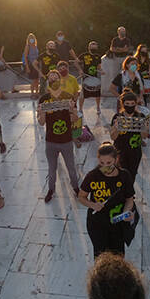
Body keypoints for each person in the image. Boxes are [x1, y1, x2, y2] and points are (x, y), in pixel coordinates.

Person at [78, 143, 136, 257]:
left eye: (109, 163)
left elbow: (129, 199)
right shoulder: (92, 176)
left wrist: (126, 212)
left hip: (117, 223)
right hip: (97, 223)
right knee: (100, 256)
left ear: (116, 159)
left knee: (118, 256)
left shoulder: (124, 176)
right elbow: (81, 197)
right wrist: (92, 205)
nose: (105, 167)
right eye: (101, 163)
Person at [37, 69, 80, 203]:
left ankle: (76, 188)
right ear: (48, 81)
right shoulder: (44, 99)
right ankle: (51, 189)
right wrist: (42, 113)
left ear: (60, 80)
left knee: (71, 167)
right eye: (51, 77)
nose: (53, 79)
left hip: (66, 140)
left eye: (56, 77)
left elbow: (75, 119)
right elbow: (41, 122)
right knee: (52, 169)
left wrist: (72, 110)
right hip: (51, 141)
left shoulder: (68, 96)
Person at [110, 91, 149, 178]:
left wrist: (144, 128)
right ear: (123, 104)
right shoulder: (117, 117)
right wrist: (116, 127)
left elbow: (144, 136)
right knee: (119, 176)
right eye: (127, 103)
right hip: (120, 151)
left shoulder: (141, 117)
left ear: (135, 104)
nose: (130, 106)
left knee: (132, 175)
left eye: (132, 103)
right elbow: (113, 137)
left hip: (135, 152)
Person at [79, 41, 103, 113]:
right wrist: (80, 70)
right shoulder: (84, 55)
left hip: (95, 77)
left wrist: (101, 71)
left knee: (97, 93)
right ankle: (80, 109)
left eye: (95, 47)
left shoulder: (98, 56)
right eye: (92, 47)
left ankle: (98, 107)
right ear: (89, 48)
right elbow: (75, 62)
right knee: (83, 94)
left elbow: (99, 67)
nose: (93, 49)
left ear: (97, 48)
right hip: (85, 76)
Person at [23, 33, 40, 98]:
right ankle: (32, 94)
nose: (31, 39)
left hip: (37, 64)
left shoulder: (35, 46)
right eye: (30, 38)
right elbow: (25, 57)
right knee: (33, 80)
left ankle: (37, 93)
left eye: (32, 38)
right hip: (31, 65)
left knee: (37, 80)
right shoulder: (28, 46)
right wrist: (27, 67)